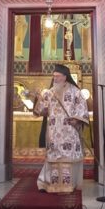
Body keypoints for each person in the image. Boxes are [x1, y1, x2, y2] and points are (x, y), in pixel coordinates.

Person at [33, 64, 89, 193]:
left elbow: (82, 109)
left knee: (67, 158)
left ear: (65, 76)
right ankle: (49, 183)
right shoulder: (49, 92)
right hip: (54, 131)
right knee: (54, 157)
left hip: (69, 131)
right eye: (54, 76)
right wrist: (38, 98)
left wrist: (76, 120)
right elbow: (41, 110)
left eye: (57, 76)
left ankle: (68, 185)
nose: (55, 79)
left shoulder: (75, 92)